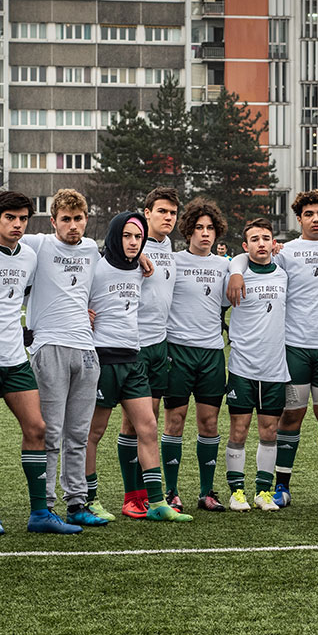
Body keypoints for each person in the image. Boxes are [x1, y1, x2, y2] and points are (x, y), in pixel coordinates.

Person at [238, 189, 318, 508]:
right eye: (308, 214)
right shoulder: (284, 252)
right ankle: (281, 487)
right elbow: (247, 259)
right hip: (293, 347)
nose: (315, 219)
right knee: (291, 416)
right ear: (299, 218)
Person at [87, 210, 193, 522]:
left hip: (133, 358)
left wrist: (143, 255)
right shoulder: (96, 265)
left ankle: (157, 502)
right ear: (114, 236)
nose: (133, 243)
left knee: (147, 427)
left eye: (138, 237)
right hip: (104, 359)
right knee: (93, 432)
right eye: (127, 236)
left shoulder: (140, 267)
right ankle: (89, 498)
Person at [0, 191, 57, 533]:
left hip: (16, 359)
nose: (17, 225)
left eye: (23, 219)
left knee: (37, 429)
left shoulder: (30, 257)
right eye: (10, 218)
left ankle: (39, 514)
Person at [22, 189, 104, 530]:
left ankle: (77, 502)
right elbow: (0, 238)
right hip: (50, 346)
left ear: (86, 219)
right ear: (53, 221)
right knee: (51, 432)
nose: (73, 225)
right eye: (66, 219)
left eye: (78, 218)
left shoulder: (92, 249)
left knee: (79, 434)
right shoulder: (38, 244)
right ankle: (46, 507)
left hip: (86, 350)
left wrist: (143, 258)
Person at [163, 200, 230, 512]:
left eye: (211, 229)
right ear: (188, 230)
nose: (205, 234)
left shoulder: (226, 265)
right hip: (177, 352)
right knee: (175, 420)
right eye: (199, 228)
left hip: (212, 354)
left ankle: (206, 492)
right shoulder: (173, 261)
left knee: (209, 421)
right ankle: (172, 491)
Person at [118, 186, 181, 514]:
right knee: (133, 423)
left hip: (160, 346)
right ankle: (133, 497)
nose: (167, 217)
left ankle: (149, 495)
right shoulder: (132, 248)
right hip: (134, 347)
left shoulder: (169, 247)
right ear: (147, 214)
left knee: (150, 421)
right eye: (161, 212)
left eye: (172, 212)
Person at [224, 218, 291, 511]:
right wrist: (236, 271)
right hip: (242, 368)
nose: (261, 243)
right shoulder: (236, 273)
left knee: (270, 432)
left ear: (273, 243)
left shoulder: (284, 275)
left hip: (275, 369)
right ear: (245, 245)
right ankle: (237, 492)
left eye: (266, 238)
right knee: (239, 431)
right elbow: (234, 264)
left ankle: (263, 493)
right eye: (254, 239)